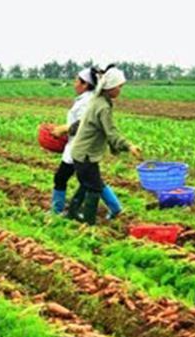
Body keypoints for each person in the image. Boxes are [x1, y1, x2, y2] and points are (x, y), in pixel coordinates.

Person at [68, 67, 143, 225]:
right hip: (86, 154)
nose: (120, 90)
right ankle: (88, 222)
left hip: (80, 152)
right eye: (119, 87)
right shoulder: (103, 107)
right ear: (110, 87)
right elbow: (111, 132)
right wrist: (129, 146)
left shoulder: (98, 100)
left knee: (87, 183)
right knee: (94, 188)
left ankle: (72, 213)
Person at [49, 68, 122, 218]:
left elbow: (85, 124)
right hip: (77, 146)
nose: (74, 83)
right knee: (91, 180)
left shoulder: (88, 101)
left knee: (66, 178)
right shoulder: (87, 99)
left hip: (81, 147)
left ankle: (58, 211)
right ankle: (114, 206)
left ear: (85, 84)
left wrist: (64, 129)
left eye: (77, 80)